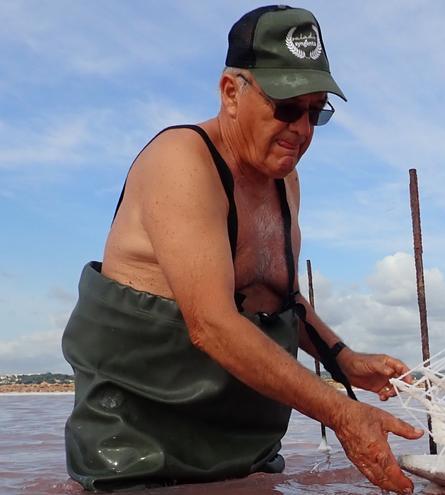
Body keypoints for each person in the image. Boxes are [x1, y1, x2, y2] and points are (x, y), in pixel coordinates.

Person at [62, 5, 423, 494]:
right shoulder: (181, 161)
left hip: (247, 459)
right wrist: (340, 412)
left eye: (315, 112)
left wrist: (343, 358)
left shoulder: (285, 182)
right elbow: (212, 325)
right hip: (138, 460)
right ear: (231, 92)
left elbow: (280, 297)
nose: (301, 129)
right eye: (286, 106)